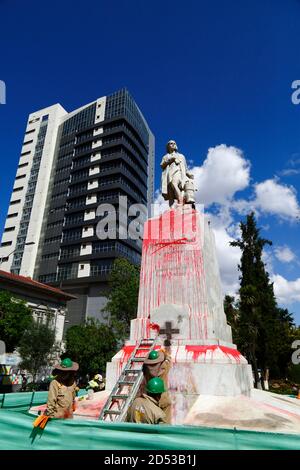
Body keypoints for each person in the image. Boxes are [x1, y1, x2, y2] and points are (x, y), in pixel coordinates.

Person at [161, 140, 195, 207]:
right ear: (168, 146)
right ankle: (171, 208)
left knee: (174, 183)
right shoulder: (166, 156)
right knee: (170, 192)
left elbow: (185, 167)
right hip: (169, 174)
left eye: (174, 143)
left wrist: (188, 174)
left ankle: (181, 200)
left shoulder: (181, 156)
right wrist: (171, 159)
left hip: (178, 172)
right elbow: (162, 165)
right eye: (171, 143)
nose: (173, 144)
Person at [141, 349, 172, 424]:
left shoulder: (146, 368)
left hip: (150, 395)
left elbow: (143, 368)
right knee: (164, 419)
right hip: (161, 395)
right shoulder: (164, 367)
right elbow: (169, 360)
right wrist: (164, 354)